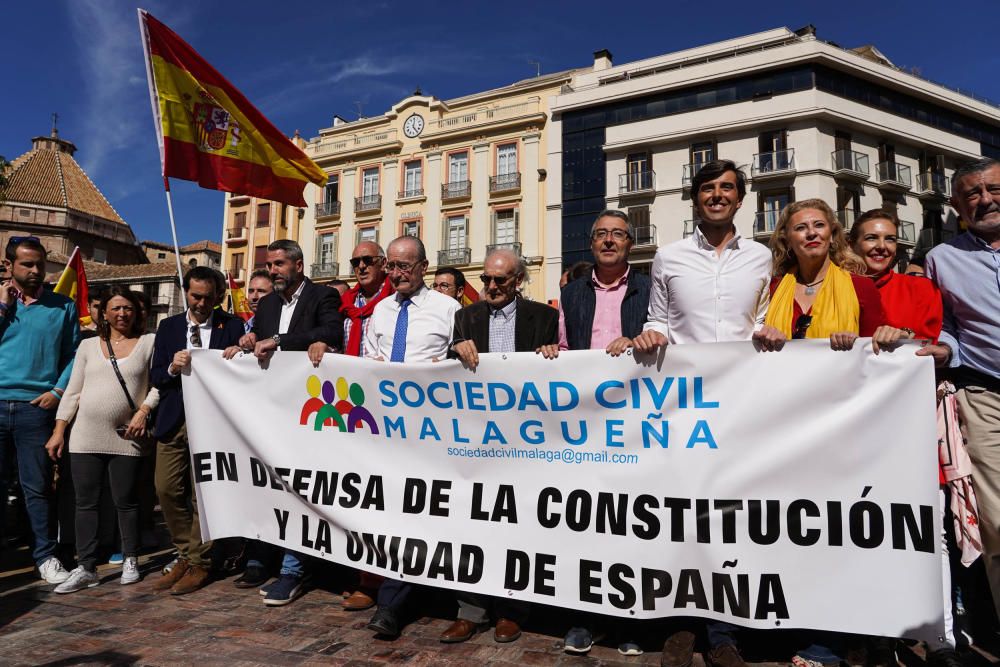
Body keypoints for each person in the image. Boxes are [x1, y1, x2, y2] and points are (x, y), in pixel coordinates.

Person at [632, 160, 771, 667]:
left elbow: (761, 320)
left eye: (727, 189)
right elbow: (658, 319)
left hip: (740, 403)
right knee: (681, 515)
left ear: (740, 198)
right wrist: (652, 335)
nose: (717, 196)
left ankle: (724, 632)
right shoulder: (668, 257)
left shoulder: (761, 258)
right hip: (682, 405)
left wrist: (768, 332)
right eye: (708, 189)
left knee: (730, 517)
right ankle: (680, 624)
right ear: (695, 199)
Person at [847, 209, 961, 666]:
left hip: (911, 430)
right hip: (854, 435)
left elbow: (933, 346)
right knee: (861, 531)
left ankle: (941, 638)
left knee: (928, 533)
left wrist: (911, 340)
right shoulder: (841, 290)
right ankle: (879, 634)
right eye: (870, 238)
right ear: (853, 243)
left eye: (889, 239)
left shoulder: (920, 288)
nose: (880, 246)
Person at [536, 210, 651, 655]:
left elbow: (668, 339)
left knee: (631, 523)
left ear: (630, 243)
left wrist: (640, 338)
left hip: (637, 424)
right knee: (586, 524)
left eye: (617, 235)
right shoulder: (571, 292)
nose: (608, 241)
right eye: (600, 234)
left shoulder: (650, 286)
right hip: (584, 428)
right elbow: (565, 347)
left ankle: (630, 622)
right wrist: (552, 352)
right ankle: (583, 619)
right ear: (591, 244)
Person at [442, 248, 558, 644]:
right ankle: (470, 610)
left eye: (501, 280)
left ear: (518, 281)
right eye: (488, 279)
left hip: (525, 442)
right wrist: (454, 349)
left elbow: (560, 372)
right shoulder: (465, 316)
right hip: (476, 440)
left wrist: (552, 355)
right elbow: (443, 370)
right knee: (471, 524)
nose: (491, 287)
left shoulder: (545, 317)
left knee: (518, 526)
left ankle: (511, 609)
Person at [229, 239, 343, 605]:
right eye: (270, 264)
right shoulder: (270, 303)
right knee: (270, 488)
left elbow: (330, 332)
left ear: (298, 263)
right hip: (271, 412)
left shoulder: (322, 295)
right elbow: (259, 343)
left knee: (301, 493)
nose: (273, 270)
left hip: (310, 412)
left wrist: (277, 339)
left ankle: (293, 572)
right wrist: (246, 342)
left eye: (279, 264)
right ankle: (263, 558)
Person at [364, 235, 460, 638]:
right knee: (396, 517)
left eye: (406, 266)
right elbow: (368, 363)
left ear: (424, 267)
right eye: (392, 265)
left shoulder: (449, 309)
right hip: (388, 431)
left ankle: (398, 603)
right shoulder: (381, 312)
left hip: (435, 432)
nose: (397, 273)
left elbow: (467, 359)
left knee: (427, 513)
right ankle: (400, 596)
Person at [919, 157, 1000, 634]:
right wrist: (942, 349)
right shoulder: (940, 259)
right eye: (973, 194)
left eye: (993, 189)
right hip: (985, 396)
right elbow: (946, 326)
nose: (985, 200)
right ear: (957, 205)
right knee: (996, 522)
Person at [45, 286, 159, 593]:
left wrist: (144, 411)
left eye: (128, 309)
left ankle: (131, 558)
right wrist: (59, 430)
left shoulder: (149, 342)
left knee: (126, 501)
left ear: (136, 313)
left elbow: (159, 384)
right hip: (84, 435)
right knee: (85, 503)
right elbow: (73, 391)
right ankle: (87, 567)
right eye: (116, 309)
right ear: (104, 314)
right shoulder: (87, 346)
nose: (122, 314)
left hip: (127, 435)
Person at [150, 267, 244, 595]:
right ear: (185, 292)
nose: (201, 303)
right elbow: (156, 377)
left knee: (202, 494)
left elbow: (241, 376)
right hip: (174, 418)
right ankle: (186, 554)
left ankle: (200, 563)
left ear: (218, 297)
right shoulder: (168, 326)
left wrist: (237, 355)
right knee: (166, 488)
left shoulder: (232, 326)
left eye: (207, 297)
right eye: (195, 296)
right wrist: (172, 367)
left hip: (213, 422)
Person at [0, 236, 78, 584]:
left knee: (38, 487)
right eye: (27, 264)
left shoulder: (63, 306)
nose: (35, 270)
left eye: (39, 264)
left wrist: (58, 391)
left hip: (37, 408)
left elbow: (74, 354)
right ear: (9, 266)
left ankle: (45, 557)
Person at [338, 240, 393, 611]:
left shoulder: (393, 304)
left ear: (384, 264)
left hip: (388, 412)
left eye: (367, 260)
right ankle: (362, 574)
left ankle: (379, 581)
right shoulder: (343, 306)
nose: (360, 266)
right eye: (355, 261)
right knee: (358, 496)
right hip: (348, 410)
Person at [762, 199, 886, 351]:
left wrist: (855, 342)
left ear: (832, 235)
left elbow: (875, 349)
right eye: (800, 228)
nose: (812, 233)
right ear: (787, 241)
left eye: (819, 225)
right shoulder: (773, 287)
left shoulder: (861, 287)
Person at [244, 269, 274, 334]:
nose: (254, 297)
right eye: (251, 291)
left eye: (261, 291)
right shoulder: (243, 328)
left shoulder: (282, 325)